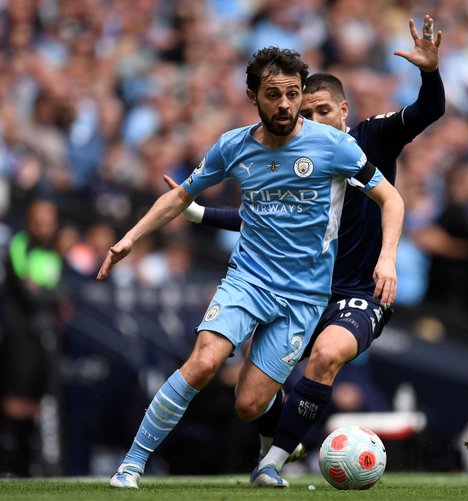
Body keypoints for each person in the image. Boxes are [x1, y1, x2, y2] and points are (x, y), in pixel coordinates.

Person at [98, 46, 405, 489]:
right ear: (253, 96)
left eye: (293, 94)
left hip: (304, 296)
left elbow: (391, 198)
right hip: (248, 280)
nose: (285, 105)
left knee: (249, 404)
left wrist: (387, 258)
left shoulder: (334, 146)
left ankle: (271, 450)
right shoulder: (233, 146)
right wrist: (131, 237)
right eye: (273, 94)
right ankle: (131, 465)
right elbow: (181, 194)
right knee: (204, 363)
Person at [166, 15, 444, 487]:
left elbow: (428, 110)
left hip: (361, 292)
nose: (313, 120)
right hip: (301, 292)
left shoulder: (369, 139)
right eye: (305, 113)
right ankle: (284, 441)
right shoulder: (295, 156)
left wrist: (430, 73)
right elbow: (262, 219)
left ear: (343, 109)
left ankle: (271, 463)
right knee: (248, 402)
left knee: (327, 354)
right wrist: (198, 213)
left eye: (322, 111)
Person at [0, 198, 64, 476]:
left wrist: (43, 293)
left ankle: (28, 466)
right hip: (17, 337)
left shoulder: (53, 254)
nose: (44, 227)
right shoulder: (18, 245)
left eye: (49, 222)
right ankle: (8, 464)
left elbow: (60, 295)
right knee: (14, 401)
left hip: (43, 338)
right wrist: (45, 294)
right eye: (39, 221)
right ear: (29, 221)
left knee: (38, 403)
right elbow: (28, 293)